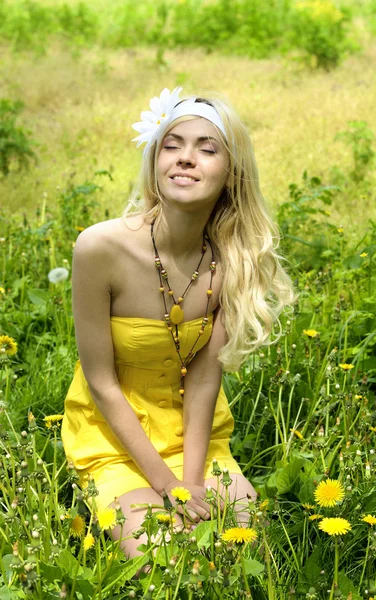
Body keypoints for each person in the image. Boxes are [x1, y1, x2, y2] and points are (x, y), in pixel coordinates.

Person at [61, 87, 294, 557]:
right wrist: (164, 484)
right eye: (172, 145)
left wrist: (191, 484)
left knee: (245, 545)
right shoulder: (99, 248)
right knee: (161, 557)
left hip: (192, 435)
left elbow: (206, 379)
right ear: (154, 160)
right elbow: (101, 382)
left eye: (207, 149)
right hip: (112, 431)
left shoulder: (234, 259)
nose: (186, 158)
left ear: (232, 174)